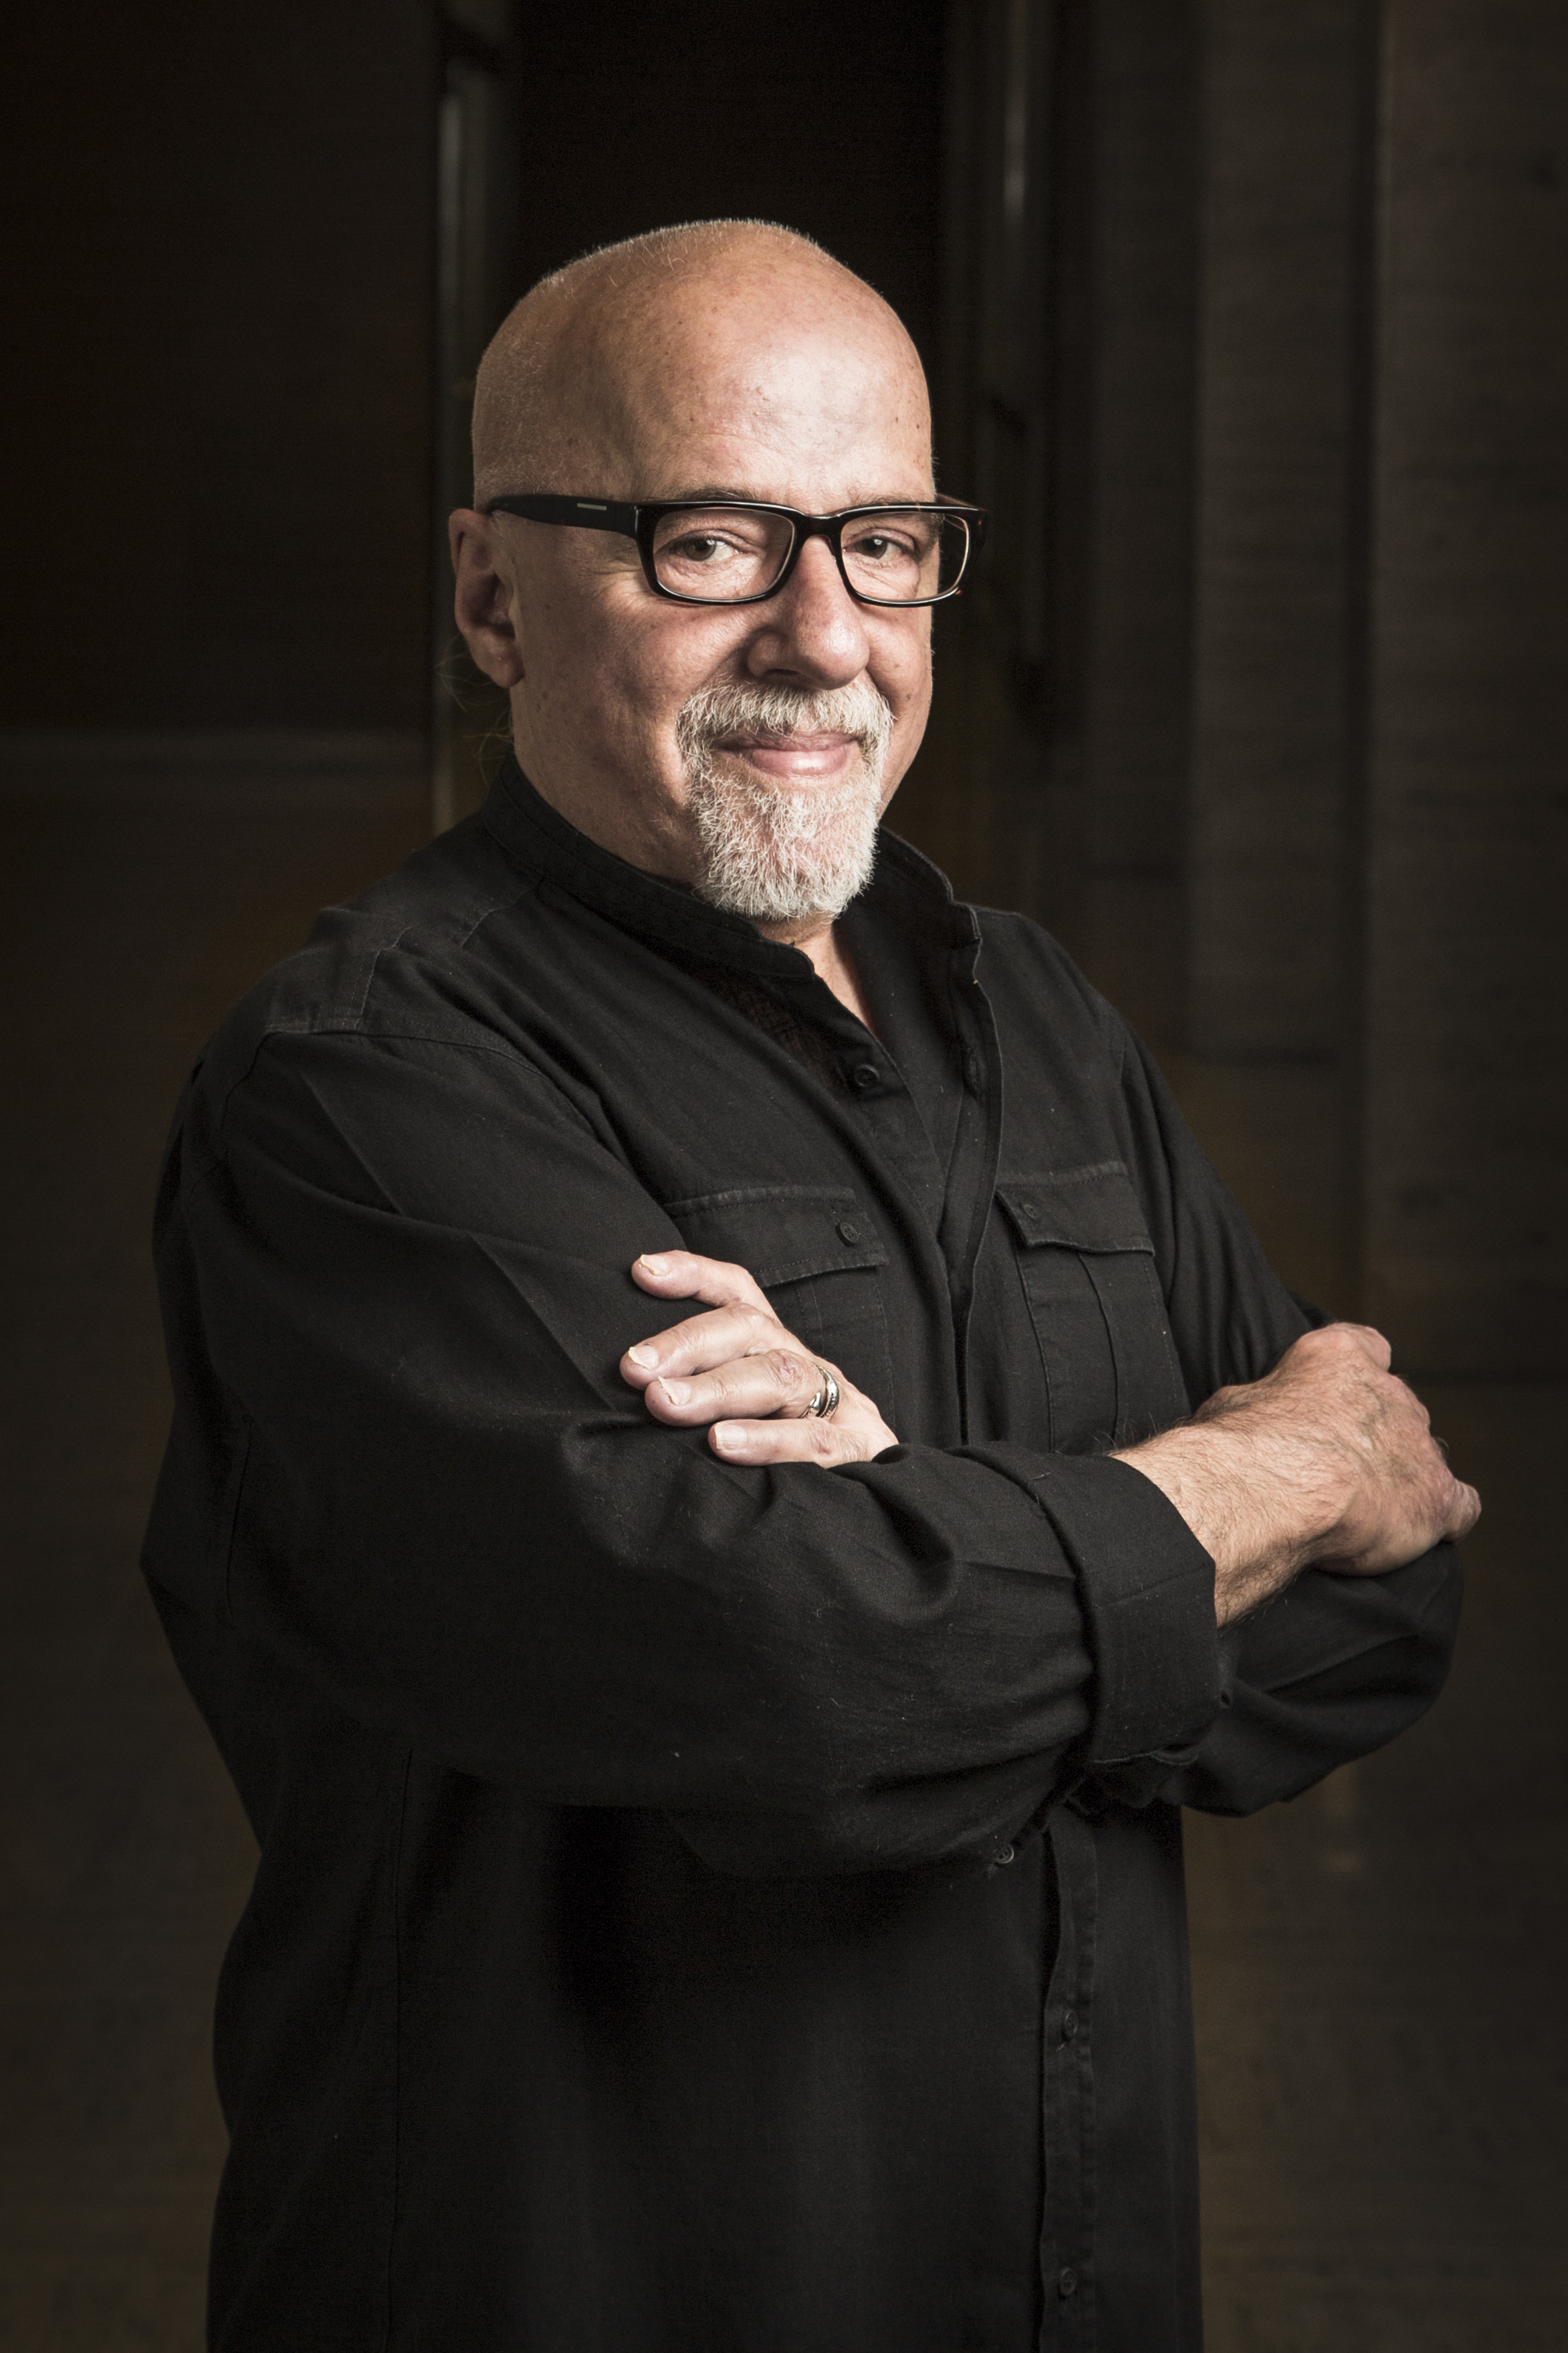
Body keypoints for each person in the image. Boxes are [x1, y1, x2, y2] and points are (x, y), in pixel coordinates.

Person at [144, 220, 1477, 2353]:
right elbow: (782, 1689)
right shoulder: (365, 1085)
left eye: (885, 544)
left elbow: (1384, 1614)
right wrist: (1262, 1484)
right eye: (708, 543)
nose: (824, 635)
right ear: (491, 595)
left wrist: (918, 1552)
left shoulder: (1038, 1016)